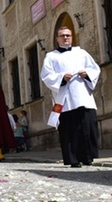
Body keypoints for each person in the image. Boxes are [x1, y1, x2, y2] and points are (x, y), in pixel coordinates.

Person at [40, 27, 101, 168]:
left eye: (68, 35)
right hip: (65, 98)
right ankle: (73, 159)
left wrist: (87, 74)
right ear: (57, 39)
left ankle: (88, 157)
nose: (66, 38)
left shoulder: (82, 53)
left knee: (87, 126)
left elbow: (95, 68)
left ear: (72, 37)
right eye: (62, 36)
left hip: (83, 96)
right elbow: (46, 76)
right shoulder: (51, 56)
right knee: (70, 130)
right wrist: (61, 77)